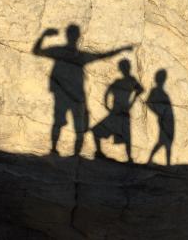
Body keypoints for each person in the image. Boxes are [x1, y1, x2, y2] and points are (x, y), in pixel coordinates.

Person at [32, 24, 133, 156]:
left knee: (73, 125)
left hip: (69, 96)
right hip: (70, 96)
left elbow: (102, 56)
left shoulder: (67, 53)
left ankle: (64, 151)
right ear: (76, 37)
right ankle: (60, 151)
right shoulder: (75, 55)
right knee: (73, 125)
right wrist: (43, 35)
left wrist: (44, 36)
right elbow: (37, 51)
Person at [92, 59, 144, 163]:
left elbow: (107, 92)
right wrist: (131, 102)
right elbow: (140, 90)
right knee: (125, 134)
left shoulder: (121, 81)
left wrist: (107, 105)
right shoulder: (130, 80)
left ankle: (100, 151)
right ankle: (129, 158)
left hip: (117, 111)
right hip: (122, 110)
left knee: (97, 131)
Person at [146, 69, 174, 166]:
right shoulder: (155, 91)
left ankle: (167, 163)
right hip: (164, 119)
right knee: (165, 141)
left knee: (166, 141)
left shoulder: (162, 92)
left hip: (169, 119)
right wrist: (158, 113)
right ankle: (167, 164)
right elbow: (148, 103)